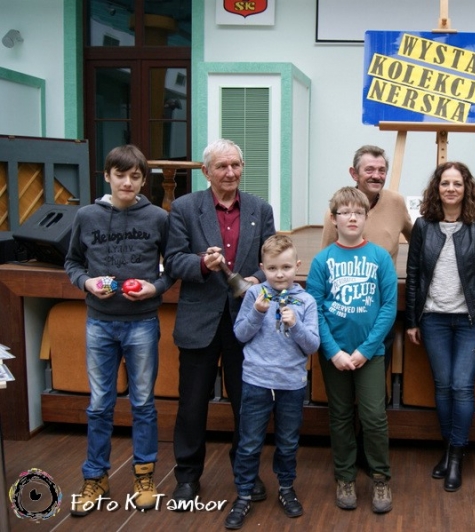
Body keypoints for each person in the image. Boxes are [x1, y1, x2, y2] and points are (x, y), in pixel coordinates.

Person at [164, 138, 275, 506]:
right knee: (192, 404)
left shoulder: (261, 208)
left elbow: (272, 258)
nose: (230, 172)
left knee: (247, 404)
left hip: (246, 322)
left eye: (235, 165)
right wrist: (201, 263)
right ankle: (187, 477)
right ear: (205, 171)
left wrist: (258, 277)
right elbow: (173, 260)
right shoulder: (184, 208)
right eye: (222, 166)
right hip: (199, 321)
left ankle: (246, 472)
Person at [64, 145, 174, 515]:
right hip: (99, 322)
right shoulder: (86, 216)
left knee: (143, 403)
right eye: (120, 175)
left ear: (143, 180)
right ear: (107, 176)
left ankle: (144, 475)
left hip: (142, 322)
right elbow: (72, 262)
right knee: (99, 405)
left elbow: (172, 268)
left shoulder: (158, 218)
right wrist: (86, 283)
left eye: (135, 176)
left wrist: (154, 288)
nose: (127, 182)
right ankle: (95, 477)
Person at [405, 161, 475, 492]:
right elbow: (414, 274)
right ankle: (449, 448)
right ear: (437, 188)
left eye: (457, 183)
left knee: (462, 386)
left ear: (466, 188)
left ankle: (457, 455)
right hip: (433, 319)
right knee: (443, 385)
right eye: (445, 183)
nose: (450, 189)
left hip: (470, 321)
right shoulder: (423, 225)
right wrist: (412, 320)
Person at [306, 186, 397, 514]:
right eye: (345, 212)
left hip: (369, 354)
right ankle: (344, 477)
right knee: (341, 415)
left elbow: (388, 307)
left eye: (358, 212)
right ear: (334, 219)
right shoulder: (322, 260)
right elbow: (315, 309)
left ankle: (380, 477)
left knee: (373, 416)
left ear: (366, 217)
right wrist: (333, 351)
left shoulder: (379, 258)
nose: (352, 218)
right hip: (334, 355)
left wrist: (366, 350)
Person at [224, 235, 320, 528]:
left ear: (297, 266)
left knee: (288, 442)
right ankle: (243, 494)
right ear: (262, 268)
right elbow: (240, 335)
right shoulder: (254, 295)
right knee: (250, 442)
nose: (280, 274)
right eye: (273, 268)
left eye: (286, 267)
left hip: (291, 383)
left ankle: (286, 488)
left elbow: (312, 345)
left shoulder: (306, 301)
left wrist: (296, 324)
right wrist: (257, 313)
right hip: (257, 380)